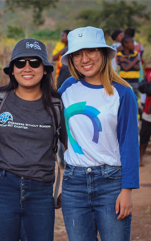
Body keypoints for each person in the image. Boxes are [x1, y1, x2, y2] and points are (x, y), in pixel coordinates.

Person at [0, 38, 67, 241]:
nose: (27, 68)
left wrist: (70, 187)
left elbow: (72, 147)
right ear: (12, 70)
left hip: (41, 191)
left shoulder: (57, 104)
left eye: (35, 62)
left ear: (45, 69)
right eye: (20, 63)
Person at [59, 26, 139, 240]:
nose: (84, 59)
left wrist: (127, 190)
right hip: (73, 183)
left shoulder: (122, 93)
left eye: (91, 51)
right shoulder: (67, 88)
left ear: (103, 54)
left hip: (111, 183)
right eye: (77, 54)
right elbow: (41, 113)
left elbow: (129, 143)